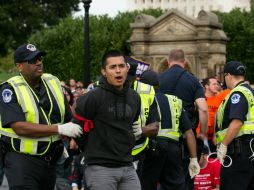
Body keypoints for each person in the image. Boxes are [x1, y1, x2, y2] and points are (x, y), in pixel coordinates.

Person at [0, 43, 82, 190]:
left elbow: (68, 116)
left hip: (50, 160)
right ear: (19, 66)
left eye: (39, 58)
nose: (38, 62)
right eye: (32, 60)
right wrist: (59, 129)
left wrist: (75, 134)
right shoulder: (9, 89)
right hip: (22, 161)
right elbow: (19, 127)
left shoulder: (53, 82)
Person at [73, 50, 141, 190]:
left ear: (127, 68)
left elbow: (131, 124)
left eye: (121, 66)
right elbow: (77, 128)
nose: (118, 71)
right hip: (100, 168)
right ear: (104, 71)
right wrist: (92, 151)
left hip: (128, 166)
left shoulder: (135, 97)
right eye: (113, 67)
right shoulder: (92, 97)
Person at [139, 70, 200, 190]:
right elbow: (189, 132)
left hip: (151, 148)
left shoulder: (140, 98)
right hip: (173, 150)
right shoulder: (174, 101)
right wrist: (194, 159)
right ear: (159, 85)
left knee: (144, 185)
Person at [159, 49, 208, 189]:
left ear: (168, 62)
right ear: (185, 62)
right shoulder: (193, 80)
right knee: (185, 181)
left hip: (161, 138)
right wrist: (202, 133)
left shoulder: (158, 79)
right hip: (187, 139)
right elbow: (203, 108)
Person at [216, 61, 254, 190]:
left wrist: (224, 145)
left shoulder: (238, 93)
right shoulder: (250, 92)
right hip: (248, 151)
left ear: (229, 76)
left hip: (239, 153)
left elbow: (237, 122)